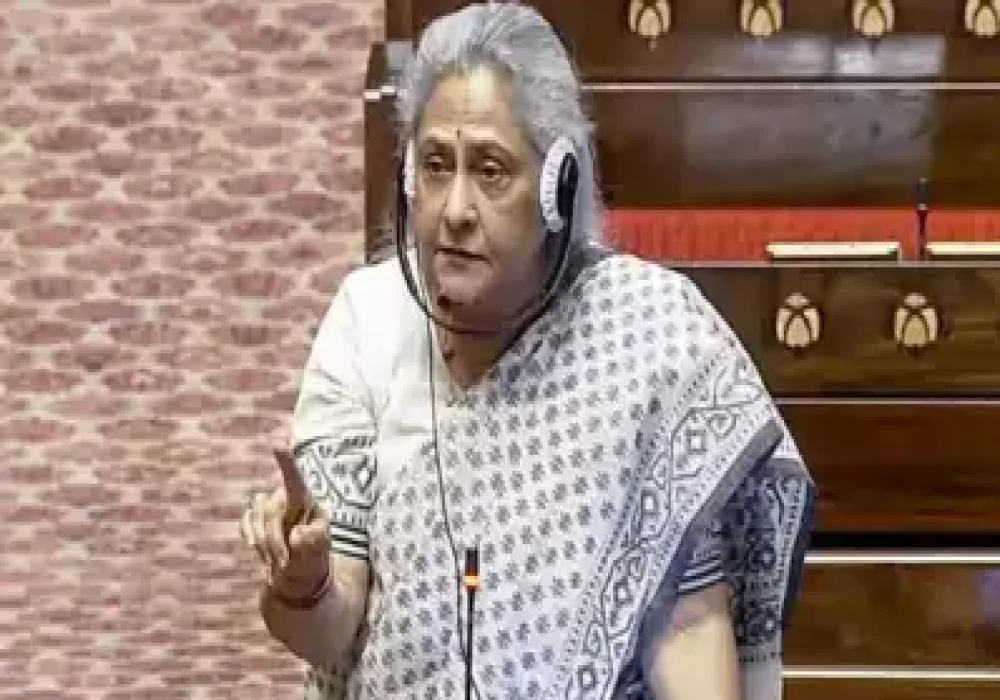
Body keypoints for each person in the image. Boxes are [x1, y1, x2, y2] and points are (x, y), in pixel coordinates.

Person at [240, 3, 815, 699]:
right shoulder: (369, 317)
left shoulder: (648, 336)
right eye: (435, 166)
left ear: (556, 188)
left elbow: (690, 627)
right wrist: (304, 584)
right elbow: (329, 632)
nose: (455, 209)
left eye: (490, 171)